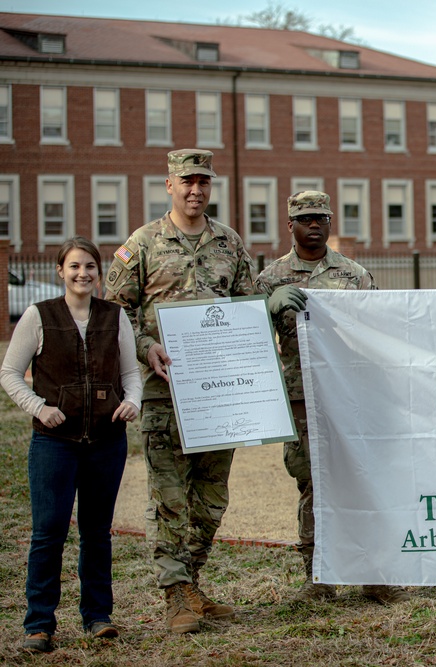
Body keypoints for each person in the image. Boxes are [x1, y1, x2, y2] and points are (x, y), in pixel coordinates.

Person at [104, 149, 262, 633]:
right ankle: (176, 596)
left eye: (203, 182)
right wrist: (147, 345)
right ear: (168, 185)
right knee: (169, 496)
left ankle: (191, 582)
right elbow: (115, 311)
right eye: (186, 181)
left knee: (211, 497)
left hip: (219, 395)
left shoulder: (229, 243)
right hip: (163, 392)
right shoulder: (143, 243)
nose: (195, 190)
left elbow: (248, 307)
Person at [256, 190, 411, 605]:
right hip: (301, 400)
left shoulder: (355, 276)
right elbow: (247, 342)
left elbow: (375, 337)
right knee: (312, 485)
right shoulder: (270, 279)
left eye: (320, 218)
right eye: (304, 218)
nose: (313, 225)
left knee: (361, 481)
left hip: (351, 399)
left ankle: (374, 573)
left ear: (330, 223)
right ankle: (319, 578)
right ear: (289, 225)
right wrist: (265, 309)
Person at [1, 237, 141, 653]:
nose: (83, 274)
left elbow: (131, 374)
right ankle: (39, 625)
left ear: (99, 273)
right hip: (54, 444)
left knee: (97, 533)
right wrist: (39, 407)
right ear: (60, 271)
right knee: (49, 533)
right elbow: (9, 373)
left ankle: (98, 617)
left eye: (90, 267)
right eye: (74, 266)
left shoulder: (115, 317)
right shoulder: (38, 316)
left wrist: (132, 401)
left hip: (106, 442)